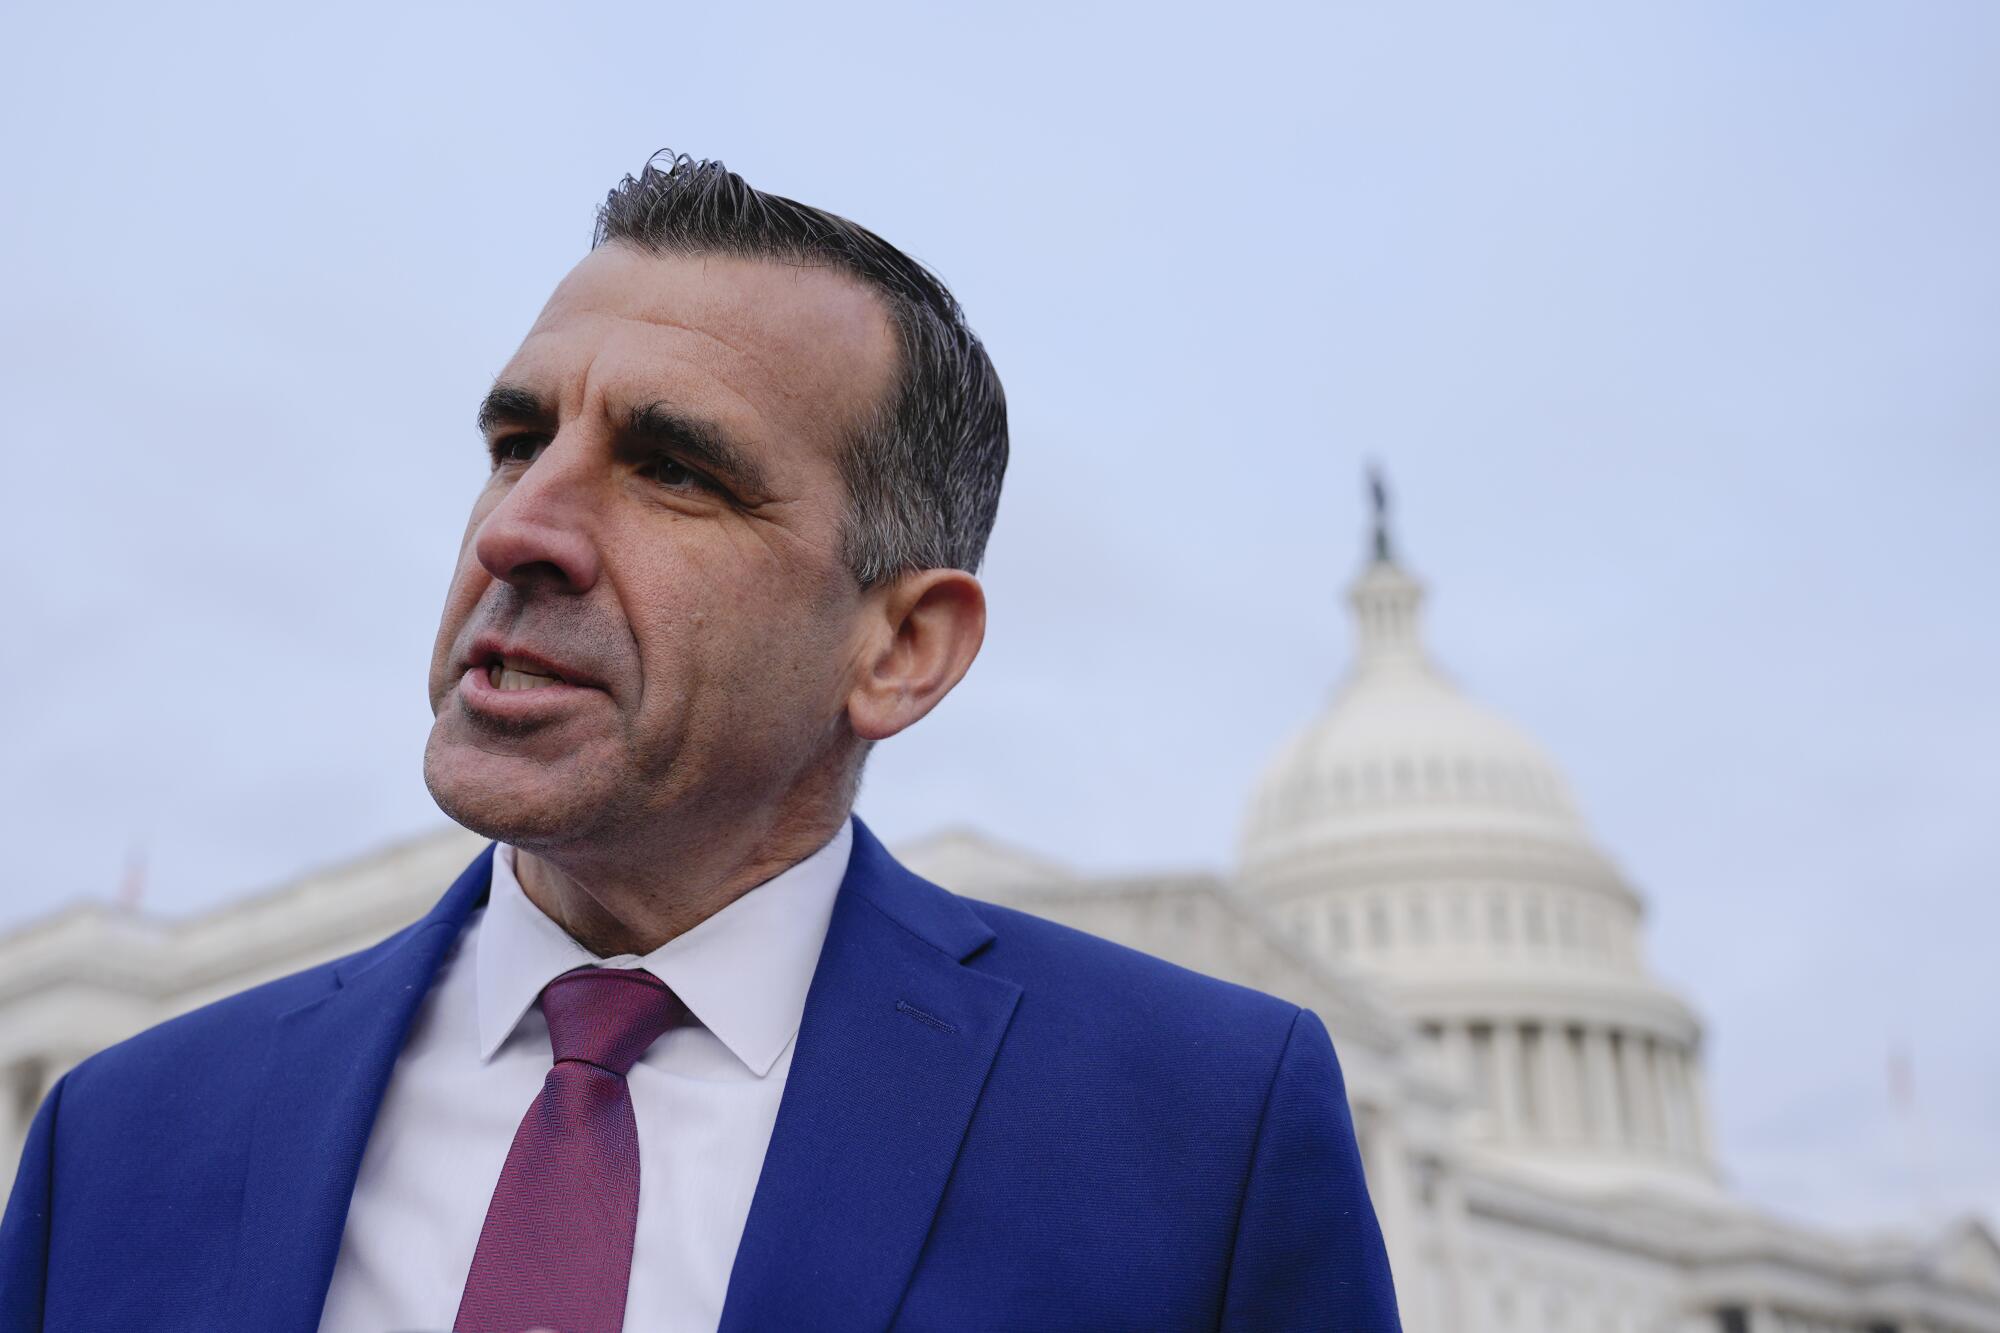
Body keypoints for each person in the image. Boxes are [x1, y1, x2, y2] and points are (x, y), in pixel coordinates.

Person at [0, 153, 1400, 1332]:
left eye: (672, 469)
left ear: (900, 648)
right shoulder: (120, 1144)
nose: (518, 529)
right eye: (514, 439)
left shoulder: (1196, 1137)